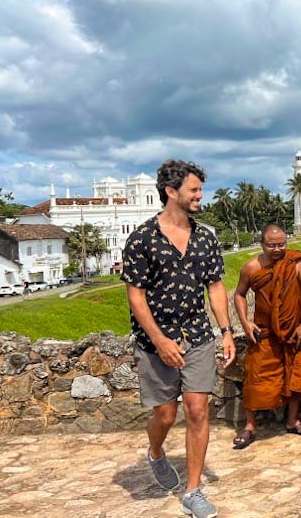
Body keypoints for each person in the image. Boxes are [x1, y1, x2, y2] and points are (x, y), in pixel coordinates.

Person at [121, 159, 235, 518]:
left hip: (198, 335)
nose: (201, 196)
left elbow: (215, 287)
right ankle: (155, 452)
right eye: (194, 190)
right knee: (167, 415)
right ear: (172, 192)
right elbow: (135, 296)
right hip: (155, 340)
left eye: (201, 189)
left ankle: (193, 490)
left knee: (198, 409)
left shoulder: (205, 238)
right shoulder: (141, 238)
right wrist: (160, 341)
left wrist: (226, 330)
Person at [231, 224, 301, 449]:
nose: (277, 249)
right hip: (264, 332)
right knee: (255, 378)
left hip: (294, 331)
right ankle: (250, 426)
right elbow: (239, 295)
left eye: (281, 244)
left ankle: (293, 420)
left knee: (295, 375)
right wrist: (245, 322)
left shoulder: (297, 264)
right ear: (262, 244)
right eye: (272, 245)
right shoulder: (251, 267)